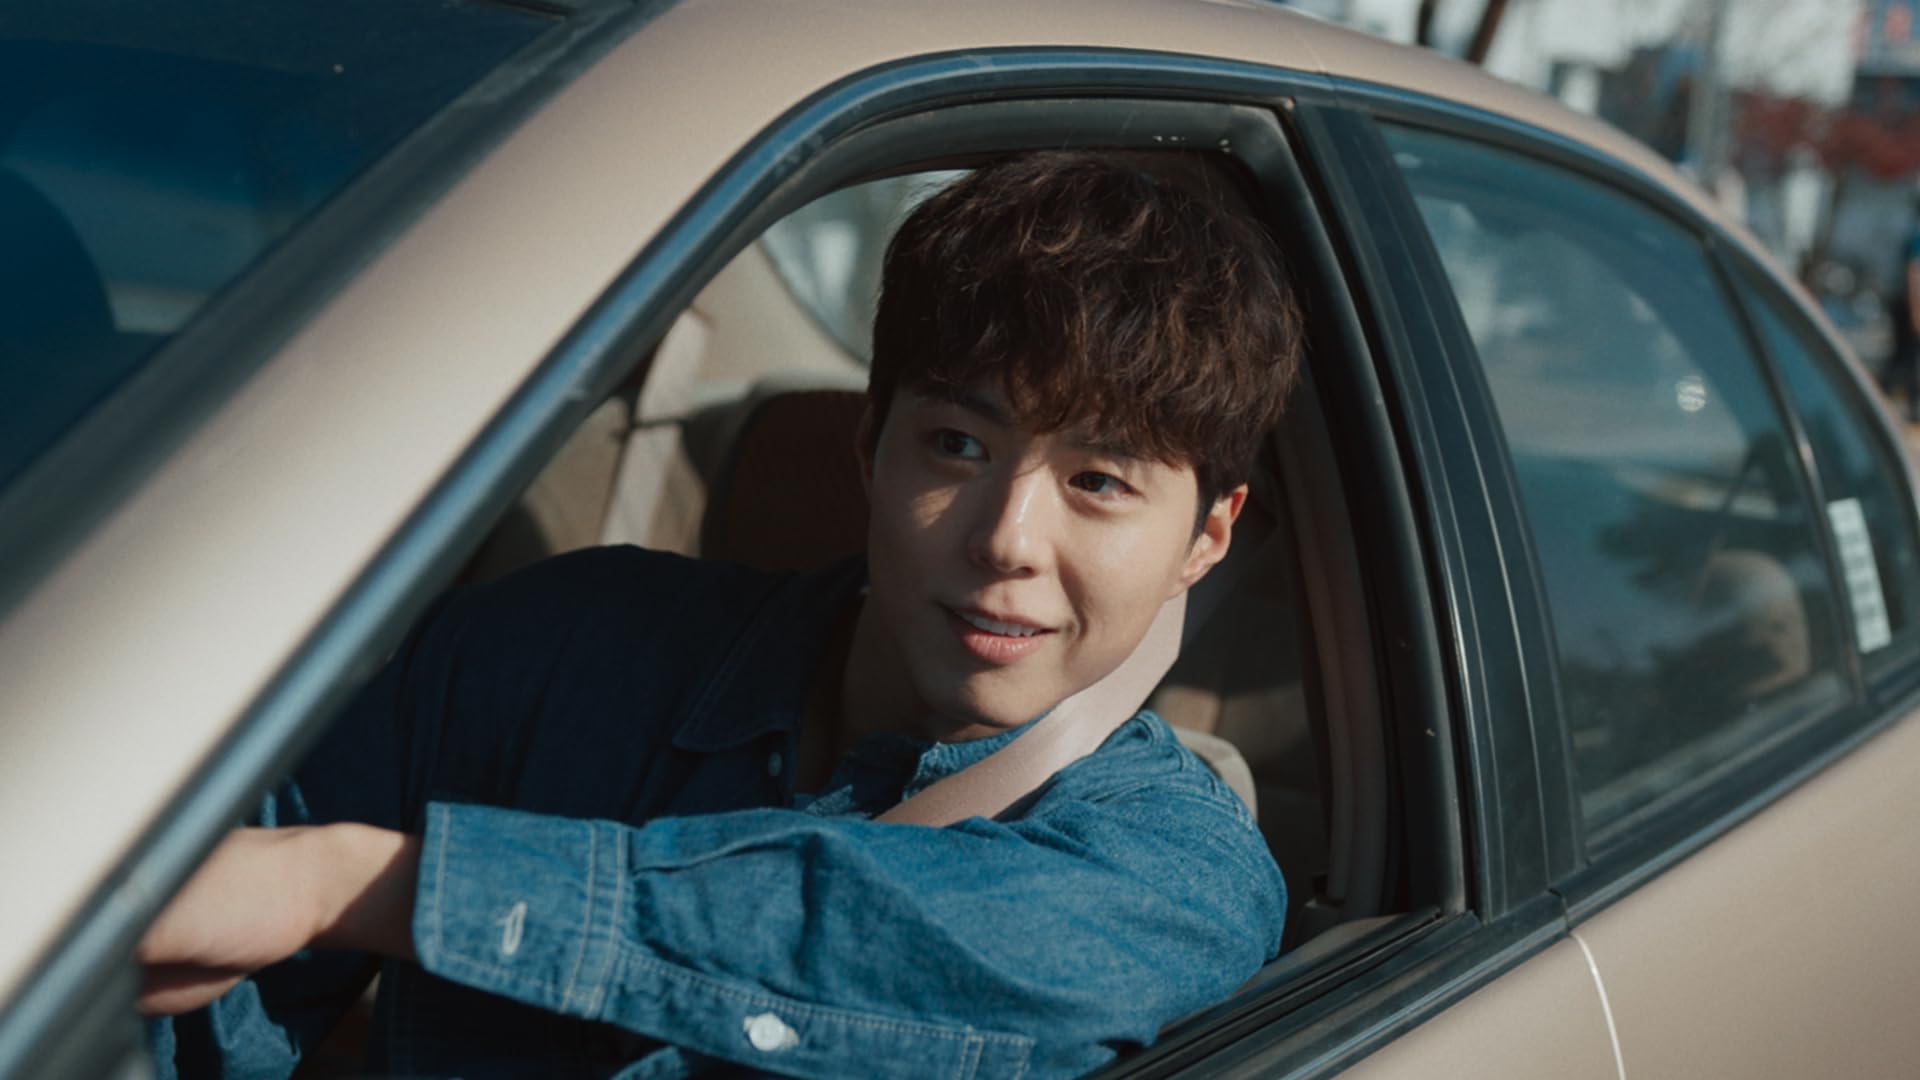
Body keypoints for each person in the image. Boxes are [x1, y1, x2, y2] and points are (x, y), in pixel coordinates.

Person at [138, 151, 1304, 1080]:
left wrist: (366, 888)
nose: (1006, 539)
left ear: (1207, 537)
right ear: (869, 446)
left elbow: (861, 934)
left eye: (1099, 481)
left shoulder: (1176, 871)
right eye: (958, 445)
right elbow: (191, 1008)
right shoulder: (550, 648)